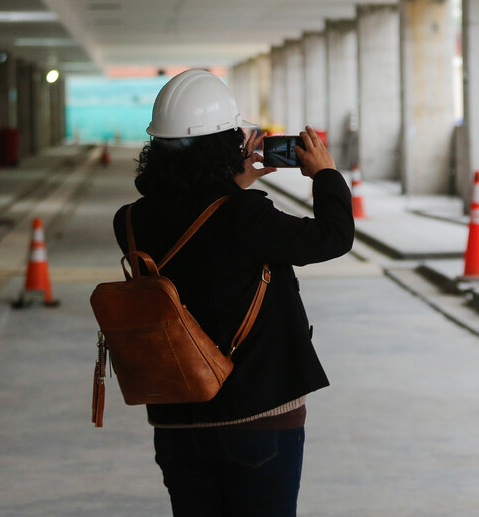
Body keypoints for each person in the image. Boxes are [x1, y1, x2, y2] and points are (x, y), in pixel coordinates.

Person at [113, 69, 354, 516]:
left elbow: (195, 227)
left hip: (176, 419)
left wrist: (231, 187)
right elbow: (333, 237)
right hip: (257, 417)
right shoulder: (246, 217)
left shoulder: (129, 221)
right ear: (227, 144)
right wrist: (325, 175)